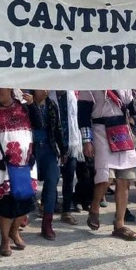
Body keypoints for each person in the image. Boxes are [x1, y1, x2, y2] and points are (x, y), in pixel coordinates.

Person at [0, 88, 41, 256]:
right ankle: (5, 240)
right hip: (2, 164)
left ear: (9, 88)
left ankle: (14, 232)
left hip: (24, 162)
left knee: (24, 200)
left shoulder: (24, 107)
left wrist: (33, 105)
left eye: (0, 89)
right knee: (6, 204)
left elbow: (39, 124)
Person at [78, 89, 136, 241]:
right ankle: (95, 207)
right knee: (106, 175)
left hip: (121, 131)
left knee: (125, 179)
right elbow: (83, 114)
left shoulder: (123, 83)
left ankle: (119, 224)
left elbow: (132, 110)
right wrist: (87, 141)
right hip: (100, 130)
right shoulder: (90, 84)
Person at [30, 90, 65, 240]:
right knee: (28, 185)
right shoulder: (25, 105)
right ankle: (21, 219)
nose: (45, 90)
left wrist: (63, 150)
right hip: (30, 149)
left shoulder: (51, 105)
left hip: (48, 148)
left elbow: (57, 128)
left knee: (52, 182)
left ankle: (47, 223)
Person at [55, 90, 80, 224]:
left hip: (71, 142)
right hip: (53, 144)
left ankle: (66, 211)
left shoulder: (71, 96)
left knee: (69, 177)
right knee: (52, 179)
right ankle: (48, 207)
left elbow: (75, 119)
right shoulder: (49, 96)